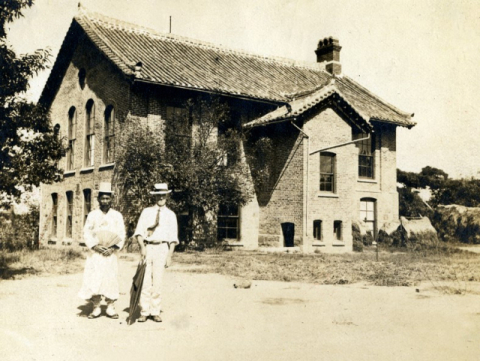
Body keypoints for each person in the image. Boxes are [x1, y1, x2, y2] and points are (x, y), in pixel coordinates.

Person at [78, 182, 125, 319]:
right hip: (96, 254)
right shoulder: (92, 215)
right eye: (102, 198)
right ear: (98, 199)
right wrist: (95, 246)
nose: (105, 201)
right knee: (95, 278)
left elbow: (121, 234)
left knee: (110, 278)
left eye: (107, 198)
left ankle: (110, 307)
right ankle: (96, 307)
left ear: (111, 199)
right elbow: (86, 232)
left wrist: (112, 248)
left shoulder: (117, 216)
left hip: (110, 254)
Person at [134, 183, 178, 322]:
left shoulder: (171, 215)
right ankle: (145, 311)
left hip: (162, 248)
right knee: (145, 280)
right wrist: (142, 246)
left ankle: (155, 310)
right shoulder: (146, 212)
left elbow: (173, 237)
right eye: (158, 195)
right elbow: (139, 231)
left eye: (163, 195)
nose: (161, 197)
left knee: (158, 281)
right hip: (148, 247)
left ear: (166, 196)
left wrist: (169, 255)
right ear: (154, 196)